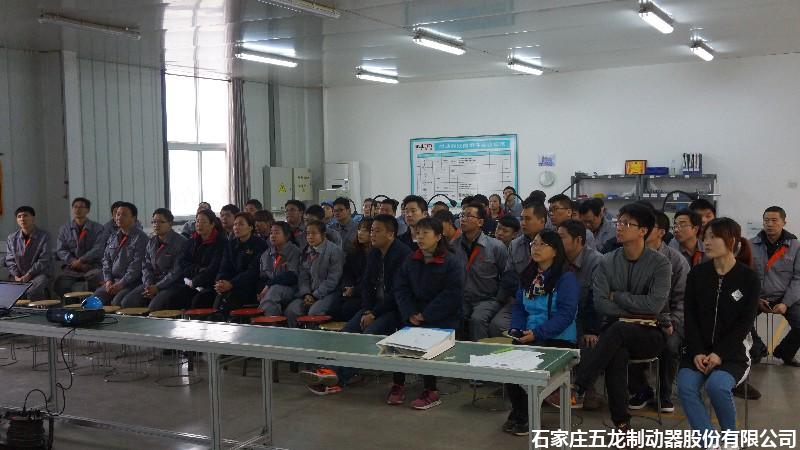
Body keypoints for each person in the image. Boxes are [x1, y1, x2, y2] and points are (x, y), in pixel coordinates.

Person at [569, 203, 671, 431]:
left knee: (617, 332)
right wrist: (635, 308)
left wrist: (618, 296)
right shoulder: (607, 261)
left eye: (626, 223)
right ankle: (622, 425)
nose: (619, 227)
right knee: (616, 349)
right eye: (619, 222)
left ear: (642, 231)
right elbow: (600, 303)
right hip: (616, 334)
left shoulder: (660, 264)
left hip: (650, 333)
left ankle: (580, 386)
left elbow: (655, 305)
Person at [302, 215, 411, 395]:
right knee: (347, 333)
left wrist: (374, 313)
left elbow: (397, 293)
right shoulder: (375, 253)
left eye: (377, 231)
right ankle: (326, 371)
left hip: (394, 310)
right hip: (372, 308)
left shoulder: (403, 254)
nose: (372, 234)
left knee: (367, 337)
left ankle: (338, 378)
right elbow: (367, 284)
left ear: (391, 234)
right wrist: (367, 310)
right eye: (371, 230)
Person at [677, 218, 759, 448]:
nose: (707, 242)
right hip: (697, 351)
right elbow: (690, 317)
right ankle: (709, 442)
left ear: (731, 241)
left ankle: (731, 439)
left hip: (732, 354)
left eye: (713, 237)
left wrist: (719, 354)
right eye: (705, 237)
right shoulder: (697, 274)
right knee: (686, 387)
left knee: (717, 386)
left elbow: (744, 323)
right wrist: (696, 351)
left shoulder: (748, 278)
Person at [503, 230, 579, 435]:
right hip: (529, 335)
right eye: (533, 244)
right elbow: (519, 307)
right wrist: (517, 329)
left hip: (558, 338)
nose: (535, 248)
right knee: (508, 363)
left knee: (527, 364)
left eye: (542, 244)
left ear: (555, 251)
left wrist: (537, 334)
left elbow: (566, 315)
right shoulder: (528, 275)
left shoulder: (566, 278)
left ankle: (526, 416)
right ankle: (520, 411)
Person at [391, 218, 465, 410]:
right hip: (414, 313)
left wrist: (426, 315)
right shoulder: (411, 259)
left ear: (438, 236)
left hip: (443, 316)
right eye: (418, 233)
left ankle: (431, 390)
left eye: (426, 233)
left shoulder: (451, 262)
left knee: (427, 341)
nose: (420, 237)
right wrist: (410, 312)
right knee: (399, 340)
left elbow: (452, 294)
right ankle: (398, 384)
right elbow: (401, 288)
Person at [628, 211, 690, 413]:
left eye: (649, 226)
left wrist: (671, 322)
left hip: (671, 320)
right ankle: (641, 390)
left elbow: (682, 300)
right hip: (637, 317)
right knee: (622, 337)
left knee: (670, 346)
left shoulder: (676, 261)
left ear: (661, 232)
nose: (643, 230)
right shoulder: (630, 256)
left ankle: (664, 393)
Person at [555, 219, 603, 409]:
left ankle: (585, 389)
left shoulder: (596, 261)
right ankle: (550, 387)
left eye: (562, 237)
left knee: (587, 341)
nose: (557, 242)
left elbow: (596, 298)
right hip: (563, 313)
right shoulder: (557, 259)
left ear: (578, 240)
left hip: (588, 316)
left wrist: (592, 329)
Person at [751, 206, 800, 367]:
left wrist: (786, 303)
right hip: (758, 297)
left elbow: (798, 278)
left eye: (774, 220)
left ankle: (785, 352)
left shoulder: (795, 247)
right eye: (766, 220)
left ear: (784, 222)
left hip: (785, 297)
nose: (770, 224)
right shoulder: (751, 245)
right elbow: (745, 276)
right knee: (736, 319)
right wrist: (756, 299)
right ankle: (757, 350)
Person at [493, 201, 549, 337]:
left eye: (528, 219)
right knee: (497, 325)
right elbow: (508, 276)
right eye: (522, 218)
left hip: (546, 299)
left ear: (542, 221)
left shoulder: (553, 243)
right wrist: (524, 291)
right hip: (520, 298)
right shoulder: (515, 244)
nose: (523, 223)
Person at [457, 202, 508, 341]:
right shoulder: (454, 245)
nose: (463, 219)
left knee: (477, 319)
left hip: (487, 299)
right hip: (463, 297)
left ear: (480, 222)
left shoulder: (496, 246)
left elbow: (507, 276)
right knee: (453, 315)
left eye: (468, 216)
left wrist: (499, 298)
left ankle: (482, 352)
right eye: (462, 215)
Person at [121, 208, 187, 310]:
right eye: (154, 222)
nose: (156, 225)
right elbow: (146, 266)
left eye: (161, 222)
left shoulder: (181, 242)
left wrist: (158, 287)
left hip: (173, 284)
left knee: (154, 307)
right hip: (152, 283)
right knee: (127, 302)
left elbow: (176, 272)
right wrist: (148, 284)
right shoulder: (151, 242)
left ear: (170, 223)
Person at [285, 220, 345, 327]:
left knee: (315, 312)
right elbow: (303, 276)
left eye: (314, 233)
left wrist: (315, 295)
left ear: (323, 235)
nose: (310, 237)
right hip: (309, 293)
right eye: (308, 233)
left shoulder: (334, 251)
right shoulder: (306, 251)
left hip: (329, 293)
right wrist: (306, 293)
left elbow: (333, 280)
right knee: (291, 310)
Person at [210, 212, 268, 314]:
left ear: (250, 227)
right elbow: (224, 267)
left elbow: (253, 271)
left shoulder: (260, 244)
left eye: (241, 224)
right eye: (235, 224)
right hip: (231, 285)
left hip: (250, 286)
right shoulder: (230, 244)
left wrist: (232, 283)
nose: (236, 227)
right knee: (218, 300)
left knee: (227, 301)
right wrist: (220, 282)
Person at [169, 209, 227, 310]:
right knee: (174, 299)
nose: (199, 224)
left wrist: (196, 280)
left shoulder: (221, 242)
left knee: (198, 301)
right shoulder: (192, 241)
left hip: (211, 284)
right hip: (191, 281)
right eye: (197, 221)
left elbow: (214, 268)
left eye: (203, 222)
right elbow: (182, 262)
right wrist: (197, 270)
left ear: (212, 224)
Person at [94, 202, 148, 306]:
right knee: (93, 301)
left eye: (124, 215)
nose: (119, 217)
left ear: (133, 218)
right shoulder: (113, 237)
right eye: (118, 214)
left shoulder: (141, 238)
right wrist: (108, 280)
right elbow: (106, 260)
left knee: (118, 302)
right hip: (113, 281)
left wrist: (122, 283)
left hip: (132, 282)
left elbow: (136, 266)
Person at [53, 197, 107, 296]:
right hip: (71, 268)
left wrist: (81, 260)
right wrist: (73, 261)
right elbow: (61, 250)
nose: (78, 209)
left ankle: (92, 305)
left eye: (81, 207)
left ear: (88, 210)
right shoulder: (64, 229)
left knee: (96, 282)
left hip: (92, 267)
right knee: (60, 285)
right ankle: (72, 305)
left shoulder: (98, 228)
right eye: (75, 207)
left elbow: (98, 248)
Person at [4, 206, 52, 300]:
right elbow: (10, 260)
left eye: (25, 215)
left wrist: (29, 274)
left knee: (32, 290)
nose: (22, 219)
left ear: (33, 218)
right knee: (9, 291)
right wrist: (16, 275)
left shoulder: (44, 236)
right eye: (19, 216)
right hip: (18, 275)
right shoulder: (11, 238)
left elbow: (44, 259)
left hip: (39, 274)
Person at [258, 221, 303, 316]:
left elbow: (293, 277)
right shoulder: (266, 254)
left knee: (274, 290)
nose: (272, 236)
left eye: (277, 233)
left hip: (293, 289)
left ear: (287, 236)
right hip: (270, 291)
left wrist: (269, 285)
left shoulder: (295, 252)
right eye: (271, 233)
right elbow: (263, 277)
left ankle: (269, 322)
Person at [336, 218, 374, 321]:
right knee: (333, 308)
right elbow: (348, 273)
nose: (360, 233)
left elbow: (371, 280)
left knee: (348, 308)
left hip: (367, 293)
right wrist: (347, 286)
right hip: (352, 290)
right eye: (359, 229)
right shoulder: (354, 251)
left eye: (365, 230)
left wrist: (354, 290)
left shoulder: (376, 253)